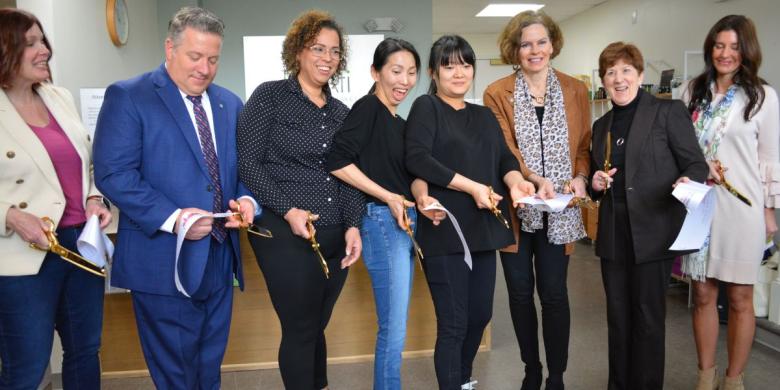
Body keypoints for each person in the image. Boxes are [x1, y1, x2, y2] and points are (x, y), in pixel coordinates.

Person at [93, 7, 257, 388]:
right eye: (195, 57)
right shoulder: (130, 96)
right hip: (163, 259)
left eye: (213, 59)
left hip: (220, 257)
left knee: (208, 365)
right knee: (176, 373)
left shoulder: (229, 104)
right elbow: (113, 174)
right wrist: (176, 219)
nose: (204, 68)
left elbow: (243, 171)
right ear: (170, 49)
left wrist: (247, 201)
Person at [236, 10, 363, 390]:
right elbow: (248, 163)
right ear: (297, 52)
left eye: (335, 52)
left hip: (335, 229)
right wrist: (289, 210)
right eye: (317, 48)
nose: (327, 58)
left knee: (317, 321)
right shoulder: (270, 96)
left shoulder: (342, 113)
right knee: (300, 323)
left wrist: (354, 224)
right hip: (281, 227)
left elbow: (349, 176)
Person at [405, 35, 535, 390]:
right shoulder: (426, 108)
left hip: (482, 228)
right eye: (448, 65)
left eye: (465, 64)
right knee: (454, 322)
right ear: (433, 72)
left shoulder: (483, 115)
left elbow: (505, 158)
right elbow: (417, 158)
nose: (458, 72)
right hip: (445, 229)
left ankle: (461, 377)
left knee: (480, 315)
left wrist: (514, 182)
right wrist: (472, 187)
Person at [0, 9, 112, 389]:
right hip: (22, 256)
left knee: (85, 351)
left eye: (42, 40)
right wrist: (12, 216)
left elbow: (86, 167)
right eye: (30, 43)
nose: (44, 50)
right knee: (28, 366)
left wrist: (95, 199)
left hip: (79, 245)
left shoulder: (59, 97)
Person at [589, 42, 707, 390]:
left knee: (648, 321)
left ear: (640, 75)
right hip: (614, 235)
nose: (618, 79)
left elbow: (695, 162)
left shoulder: (666, 112)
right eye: (610, 72)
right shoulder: (601, 126)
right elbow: (601, 178)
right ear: (604, 80)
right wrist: (596, 183)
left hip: (653, 232)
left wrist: (690, 179)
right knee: (618, 320)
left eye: (626, 70)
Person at [483, 11, 591, 390]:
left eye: (541, 42)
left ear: (553, 44)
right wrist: (533, 179)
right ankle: (531, 368)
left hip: (560, 211)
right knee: (518, 294)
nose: (535, 50)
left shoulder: (576, 90)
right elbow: (504, 149)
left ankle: (557, 376)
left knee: (555, 295)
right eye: (526, 43)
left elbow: (583, 148)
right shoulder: (497, 92)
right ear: (514, 49)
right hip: (518, 209)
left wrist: (578, 177)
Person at [682, 15, 779, 390]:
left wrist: (769, 212)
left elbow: (770, 160)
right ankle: (705, 376)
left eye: (735, 47)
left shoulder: (763, 97)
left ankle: (733, 380)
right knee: (702, 293)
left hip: (743, 208)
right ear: (710, 48)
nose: (725, 54)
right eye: (719, 45)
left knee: (740, 296)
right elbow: (680, 146)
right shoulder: (693, 91)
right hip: (699, 206)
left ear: (747, 51)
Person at [327, 38, 423, 390]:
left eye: (411, 73)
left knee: (398, 324)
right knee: (393, 328)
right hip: (382, 223)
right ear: (375, 72)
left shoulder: (400, 122)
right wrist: (390, 197)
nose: (404, 80)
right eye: (396, 71)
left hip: (403, 224)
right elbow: (337, 161)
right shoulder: (368, 108)